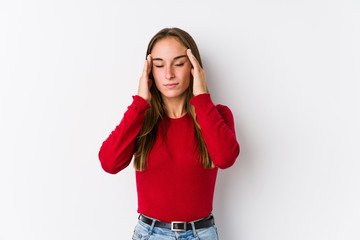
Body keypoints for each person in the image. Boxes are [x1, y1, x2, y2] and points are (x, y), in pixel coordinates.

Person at [98, 27, 240, 240]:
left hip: (201, 234)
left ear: (194, 68)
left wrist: (201, 96)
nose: (169, 74)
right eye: (159, 65)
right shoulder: (141, 119)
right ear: (149, 72)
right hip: (150, 234)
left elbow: (226, 158)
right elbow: (110, 163)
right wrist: (139, 103)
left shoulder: (217, 115)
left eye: (179, 63)